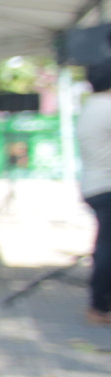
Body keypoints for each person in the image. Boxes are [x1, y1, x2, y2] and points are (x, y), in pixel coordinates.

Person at [81, 58, 111, 327]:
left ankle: (99, 303)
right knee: (106, 247)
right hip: (107, 186)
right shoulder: (107, 108)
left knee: (105, 245)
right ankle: (99, 304)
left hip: (94, 185)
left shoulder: (91, 107)